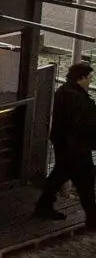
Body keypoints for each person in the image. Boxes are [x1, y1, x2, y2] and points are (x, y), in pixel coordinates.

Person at [33, 61, 96, 224]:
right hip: (76, 147)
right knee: (85, 181)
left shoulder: (66, 92)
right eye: (89, 77)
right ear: (81, 78)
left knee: (63, 175)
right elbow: (84, 123)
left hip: (68, 145)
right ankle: (92, 217)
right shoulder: (76, 97)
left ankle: (44, 206)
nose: (90, 80)